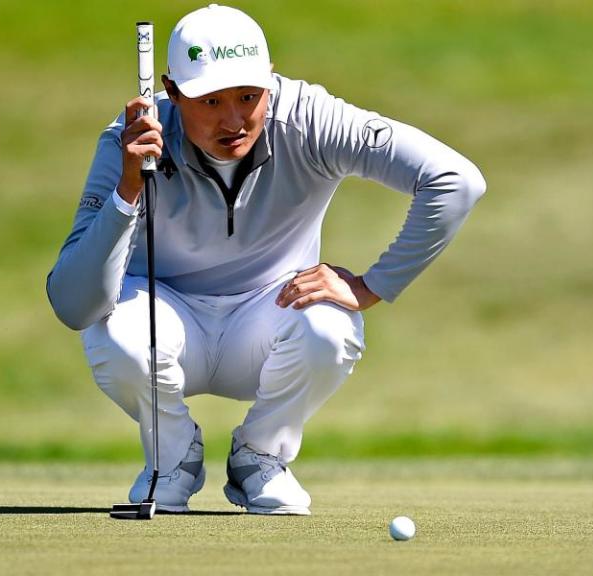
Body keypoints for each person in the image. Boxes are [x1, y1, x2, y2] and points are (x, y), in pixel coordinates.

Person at [47, 4, 485, 515]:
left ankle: (260, 458)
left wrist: (372, 285)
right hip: (163, 319)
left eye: (248, 97)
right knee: (112, 328)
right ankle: (171, 457)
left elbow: (455, 181)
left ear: (270, 80)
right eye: (210, 100)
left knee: (329, 324)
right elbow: (74, 305)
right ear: (171, 92)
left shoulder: (311, 118)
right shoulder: (129, 143)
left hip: (268, 315)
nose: (233, 120)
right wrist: (127, 188)